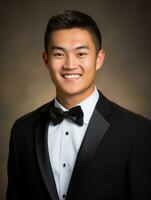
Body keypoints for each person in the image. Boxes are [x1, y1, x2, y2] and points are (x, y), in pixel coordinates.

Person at [7, 10, 151, 200]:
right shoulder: (22, 130)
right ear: (46, 60)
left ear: (99, 59)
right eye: (59, 53)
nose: (70, 64)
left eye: (81, 53)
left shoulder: (137, 131)